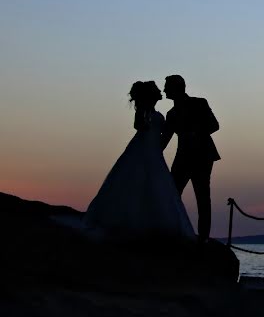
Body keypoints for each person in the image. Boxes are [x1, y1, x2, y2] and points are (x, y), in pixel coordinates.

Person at [84, 81, 195, 239]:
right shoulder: (145, 111)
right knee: (136, 178)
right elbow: (138, 125)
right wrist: (146, 124)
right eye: (157, 90)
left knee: (156, 182)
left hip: (154, 151)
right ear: (151, 95)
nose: (160, 91)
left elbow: (167, 131)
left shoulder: (160, 114)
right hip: (143, 147)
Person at [161, 75, 220, 243]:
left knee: (202, 196)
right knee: (172, 195)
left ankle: (203, 238)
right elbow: (165, 139)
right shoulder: (171, 114)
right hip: (182, 158)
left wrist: (195, 132)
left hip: (202, 156)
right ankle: (175, 230)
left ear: (177, 88)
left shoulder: (199, 103)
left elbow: (214, 125)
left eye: (167, 87)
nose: (164, 90)